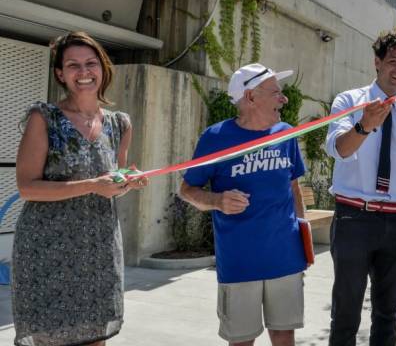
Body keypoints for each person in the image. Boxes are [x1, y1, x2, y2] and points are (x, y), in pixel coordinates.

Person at [13, 31, 148, 346]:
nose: (84, 72)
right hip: (47, 252)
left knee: (95, 339)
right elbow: (27, 188)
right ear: (60, 73)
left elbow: (112, 182)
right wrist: (92, 185)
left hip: (98, 250)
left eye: (91, 63)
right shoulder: (43, 118)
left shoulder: (120, 124)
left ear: (103, 68)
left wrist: (128, 181)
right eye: (73, 65)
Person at [180, 63, 307, 346]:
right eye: (276, 92)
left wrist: (305, 236)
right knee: (241, 341)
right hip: (239, 262)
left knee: (285, 335)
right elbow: (187, 189)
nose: (283, 99)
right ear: (250, 97)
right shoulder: (215, 139)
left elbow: (293, 187)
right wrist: (217, 201)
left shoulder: (286, 133)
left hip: (285, 257)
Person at [325, 31, 396, 346]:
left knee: (388, 314)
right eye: (393, 62)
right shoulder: (348, 101)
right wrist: (364, 125)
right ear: (377, 62)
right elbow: (339, 149)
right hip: (353, 219)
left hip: (395, 224)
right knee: (346, 313)